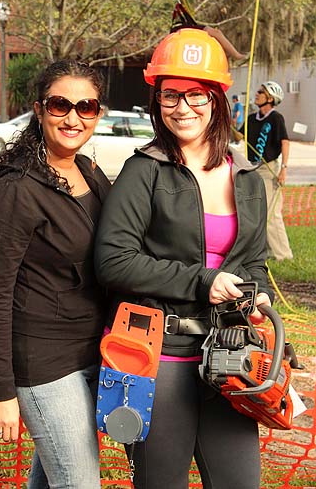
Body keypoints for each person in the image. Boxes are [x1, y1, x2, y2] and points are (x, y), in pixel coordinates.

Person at [94, 28, 274, 489]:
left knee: (240, 483)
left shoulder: (248, 174)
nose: (182, 107)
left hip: (230, 356)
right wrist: (202, 281)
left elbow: (254, 262)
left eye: (196, 94)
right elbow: (113, 260)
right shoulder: (144, 170)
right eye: (170, 95)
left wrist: (259, 298)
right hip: (159, 357)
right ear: (157, 100)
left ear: (216, 99)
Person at [0, 59, 111, 488]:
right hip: (45, 363)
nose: (73, 118)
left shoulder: (91, 173)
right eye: (60, 105)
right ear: (39, 110)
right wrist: (2, 391)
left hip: (94, 352)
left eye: (86, 107)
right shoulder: (18, 189)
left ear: (98, 113)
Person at [246, 81, 293, 261]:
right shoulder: (251, 118)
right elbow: (238, 135)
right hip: (252, 167)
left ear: (270, 98)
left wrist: (284, 169)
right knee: (256, 213)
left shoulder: (276, 118)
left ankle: (283, 255)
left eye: (260, 92)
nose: (256, 94)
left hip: (269, 169)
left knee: (271, 213)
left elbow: (285, 142)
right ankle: (264, 252)